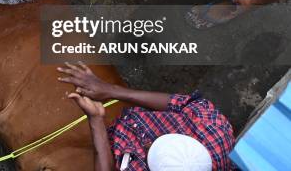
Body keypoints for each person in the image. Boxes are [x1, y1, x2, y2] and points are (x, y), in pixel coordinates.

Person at [58, 63, 236, 170]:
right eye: (161, 140)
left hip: (117, 145)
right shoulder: (214, 128)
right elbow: (179, 103)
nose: (149, 143)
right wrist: (111, 90)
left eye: (151, 151)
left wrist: (96, 120)